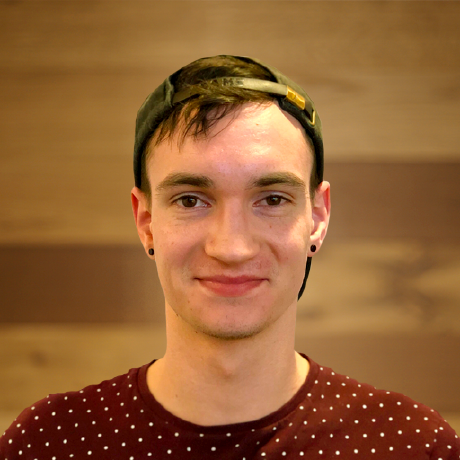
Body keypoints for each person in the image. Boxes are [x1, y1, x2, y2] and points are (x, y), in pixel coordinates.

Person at [1, 55, 458, 460]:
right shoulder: (47, 445)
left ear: (317, 217)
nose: (232, 248)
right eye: (190, 200)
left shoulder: (413, 446)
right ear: (146, 221)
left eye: (272, 199)